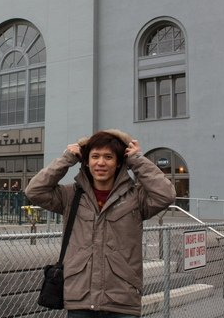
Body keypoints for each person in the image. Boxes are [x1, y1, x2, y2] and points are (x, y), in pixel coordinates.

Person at [25, 129, 176, 317]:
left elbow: (166, 194)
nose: (101, 162)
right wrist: (67, 159)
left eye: (108, 157)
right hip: (80, 299)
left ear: (119, 162)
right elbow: (34, 191)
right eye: (95, 156)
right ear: (86, 162)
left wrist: (137, 159)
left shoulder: (136, 198)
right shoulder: (70, 196)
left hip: (122, 301)